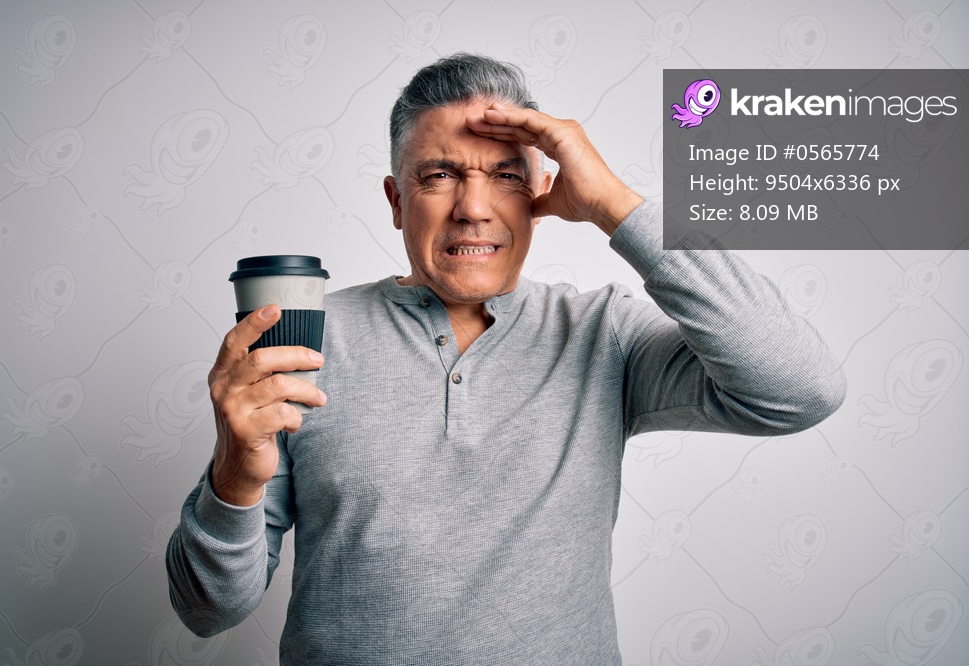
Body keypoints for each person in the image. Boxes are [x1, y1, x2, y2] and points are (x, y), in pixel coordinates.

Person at [167, 53, 846, 664]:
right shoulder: (307, 338)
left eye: (505, 176)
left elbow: (800, 390)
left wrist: (615, 205)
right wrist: (234, 474)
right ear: (396, 201)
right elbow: (207, 611)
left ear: (541, 194)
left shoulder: (602, 331)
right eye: (439, 176)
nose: (473, 209)